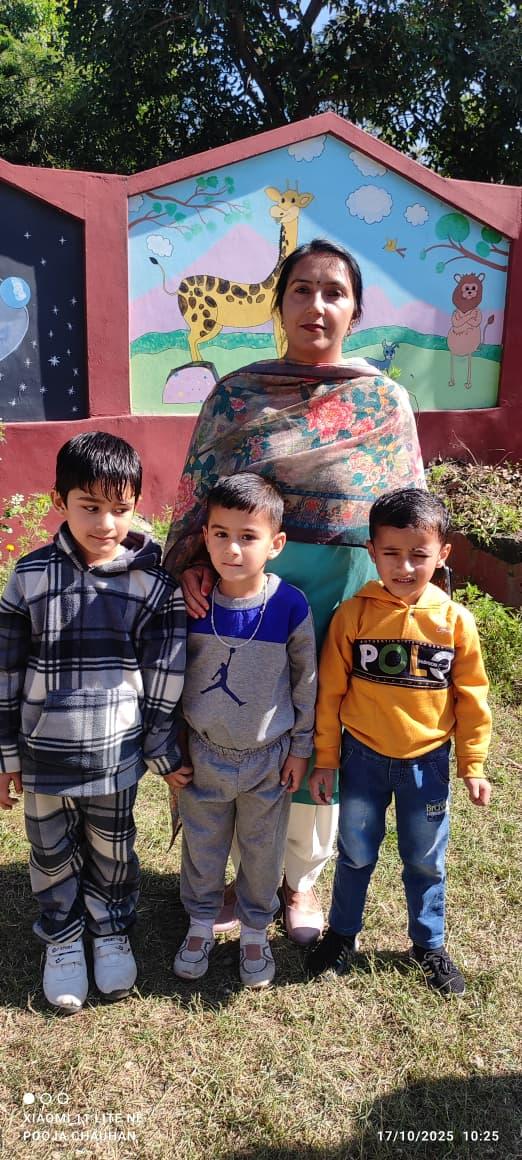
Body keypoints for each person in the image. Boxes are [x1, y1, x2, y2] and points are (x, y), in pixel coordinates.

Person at [163, 238, 425, 945]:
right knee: (230, 722)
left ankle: (298, 880)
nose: (317, 304)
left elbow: (409, 513)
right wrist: (193, 564)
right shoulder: (237, 395)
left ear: (355, 310)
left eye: (334, 292)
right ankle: (227, 874)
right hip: (239, 598)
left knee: (323, 724)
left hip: (342, 599)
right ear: (279, 305)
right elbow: (200, 496)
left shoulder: (383, 401)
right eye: (301, 289)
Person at [0, 432, 186, 1012]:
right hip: (43, 753)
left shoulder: (153, 584)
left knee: (113, 849)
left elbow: (166, 674)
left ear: (136, 505)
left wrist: (158, 744)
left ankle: (110, 930)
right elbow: (5, 669)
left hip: (115, 754)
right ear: (60, 500)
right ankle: (61, 937)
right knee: (50, 850)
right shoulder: (30, 575)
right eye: (90, 506)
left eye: (120, 508)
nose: (106, 523)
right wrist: (6, 755)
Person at [306, 488, 492, 996]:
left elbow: (472, 698)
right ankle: (341, 936)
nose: (404, 566)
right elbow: (330, 693)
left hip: (427, 764)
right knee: (355, 853)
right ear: (372, 551)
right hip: (361, 758)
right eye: (390, 553)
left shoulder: (455, 622)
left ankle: (428, 944)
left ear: (442, 553)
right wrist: (326, 760)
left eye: (418, 554)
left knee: (425, 859)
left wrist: (473, 763)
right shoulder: (353, 616)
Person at [166, 474, 317, 988]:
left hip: (268, 758)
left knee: (262, 847)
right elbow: (169, 678)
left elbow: (306, 683)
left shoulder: (290, 605)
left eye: (248, 536)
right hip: (203, 754)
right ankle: (200, 922)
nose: (232, 549)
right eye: (221, 534)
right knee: (202, 844)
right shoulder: (191, 604)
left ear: (275, 544)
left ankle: (255, 928)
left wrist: (300, 749)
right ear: (205, 537)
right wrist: (171, 747)